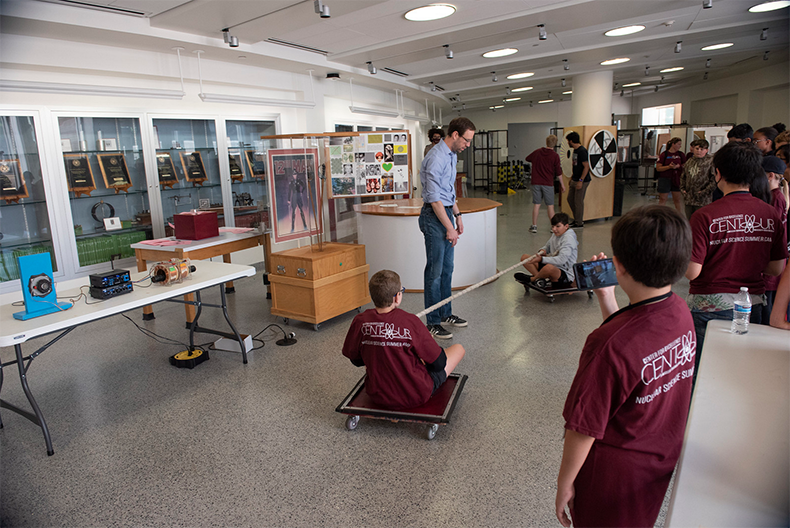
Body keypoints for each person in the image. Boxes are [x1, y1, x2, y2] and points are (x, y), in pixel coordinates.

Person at [555, 205, 695, 528]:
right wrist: (607, 297)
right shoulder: (680, 313)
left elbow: (583, 426)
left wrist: (565, 482)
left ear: (617, 265)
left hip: (612, 478)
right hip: (658, 459)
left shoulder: (606, 344)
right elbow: (635, 357)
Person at [685, 142, 786, 388]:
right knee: (744, 373)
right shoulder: (770, 214)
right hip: (753, 305)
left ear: (718, 172)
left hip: (709, 308)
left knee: (702, 376)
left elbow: (692, 271)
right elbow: (775, 269)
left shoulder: (705, 215)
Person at [342, 270, 465, 409]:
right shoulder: (410, 321)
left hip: (377, 395)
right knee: (458, 349)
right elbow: (439, 364)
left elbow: (356, 360)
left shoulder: (360, 321)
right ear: (397, 297)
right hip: (416, 394)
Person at [419, 117, 476, 339]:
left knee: (447, 269)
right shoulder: (435, 158)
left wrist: (457, 215)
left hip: (446, 215)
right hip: (433, 218)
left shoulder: (451, 155)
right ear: (454, 135)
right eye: (466, 140)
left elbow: (447, 192)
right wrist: (448, 228)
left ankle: (445, 313)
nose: (467, 145)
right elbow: (434, 200)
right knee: (434, 272)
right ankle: (432, 322)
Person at [515, 213, 577, 288]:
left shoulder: (568, 239)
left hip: (564, 272)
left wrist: (542, 259)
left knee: (548, 268)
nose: (554, 229)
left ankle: (533, 279)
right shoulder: (556, 234)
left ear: (566, 226)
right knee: (525, 258)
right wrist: (542, 250)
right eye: (553, 226)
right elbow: (547, 246)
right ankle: (540, 279)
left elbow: (562, 260)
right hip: (552, 264)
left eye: (558, 226)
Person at [761, 156, 789, 324]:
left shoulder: (775, 198)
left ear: (770, 175)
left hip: (772, 260)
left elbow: (771, 231)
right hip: (772, 259)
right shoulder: (774, 196)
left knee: (766, 307)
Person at [525, 135, 565, 233]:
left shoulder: (537, 152)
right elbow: (558, 172)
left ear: (546, 142)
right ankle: (553, 227)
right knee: (550, 206)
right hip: (548, 183)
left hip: (536, 182)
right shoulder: (555, 156)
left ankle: (534, 226)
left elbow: (527, 158)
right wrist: (562, 185)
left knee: (536, 205)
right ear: (555, 144)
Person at [680, 138, 717, 219]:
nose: (699, 151)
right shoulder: (690, 161)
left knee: (701, 220)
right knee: (690, 219)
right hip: (689, 198)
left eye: (701, 149)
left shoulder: (710, 162)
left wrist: (704, 191)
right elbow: (683, 176)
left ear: (706, 150)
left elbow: (714, 180)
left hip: (703, 199)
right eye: (697, 148)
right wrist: (683, 189)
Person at [565, 131, 589, 228]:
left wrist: (581, 180)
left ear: (571, 141)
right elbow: (575, 165)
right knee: (570, 199)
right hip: (575, 178)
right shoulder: (575, 151)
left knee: (578, 202)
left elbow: (586, 167)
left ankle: (579, 222)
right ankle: (576, 218)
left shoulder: (582, 151)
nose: (567, 143)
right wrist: (572, 177)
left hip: (582, 180)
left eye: (568, 141)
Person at [655, 137, 685, 213]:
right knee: (663, 198)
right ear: (673, 144)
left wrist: (679, 166)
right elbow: (658, 168)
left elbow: (685, 165)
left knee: (677, 199)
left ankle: (679, 214)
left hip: (676, 178)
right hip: (665, 178)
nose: (679, 146)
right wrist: (669, 167)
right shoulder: (664, 154)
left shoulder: (681, 155)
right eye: (678, 144)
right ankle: (660, 214)